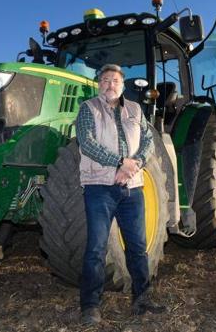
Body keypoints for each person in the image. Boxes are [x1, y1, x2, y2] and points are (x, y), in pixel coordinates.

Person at [76, 63, 166, 325]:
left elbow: (148, 141)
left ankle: (142, 298)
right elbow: (87, 142)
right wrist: (119, 163)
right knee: (96, 248)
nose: (110, 85)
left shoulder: (136, 109)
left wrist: (133, 165)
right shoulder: (88, 109)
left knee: (137, 248)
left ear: (123, 85)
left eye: (115, 81)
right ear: (98, 84)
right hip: (99, 189)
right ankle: (91, 305)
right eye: (105, 80)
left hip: (132, 188)